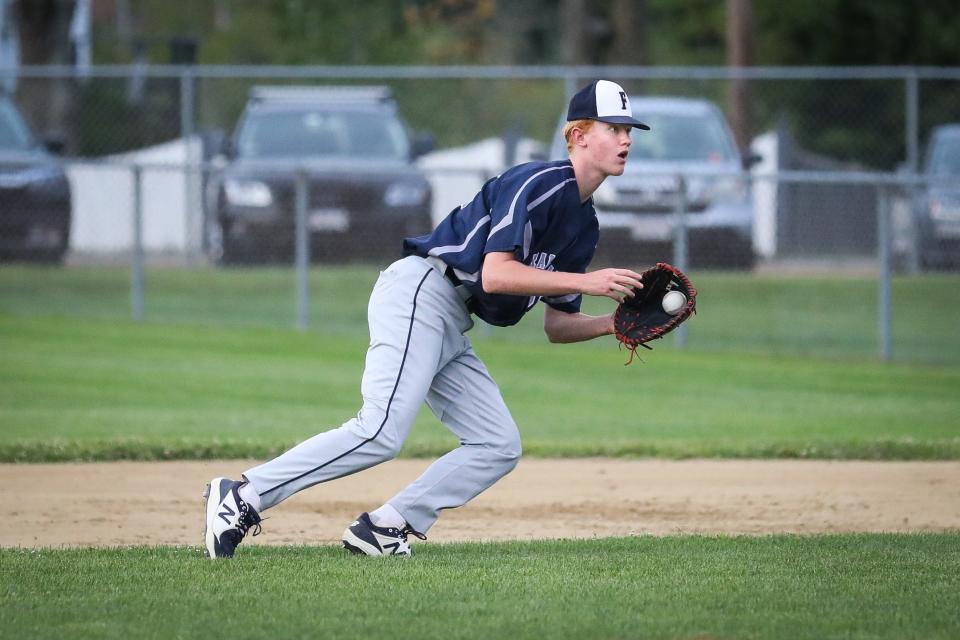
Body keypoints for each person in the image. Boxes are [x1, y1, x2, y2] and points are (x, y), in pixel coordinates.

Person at [203, 79, 650, 558]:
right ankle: (244, 495)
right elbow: (496, 276)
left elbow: (557, 326)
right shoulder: (537, 184)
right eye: (613, 127)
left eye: (629, 130)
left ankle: (385, 526)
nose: (625, 139)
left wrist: (612, 324)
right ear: (579, 135)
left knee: (496, 444)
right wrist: (586, 282)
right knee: (379, 432)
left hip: (451, 318)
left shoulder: (584, 226)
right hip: (422, 290)